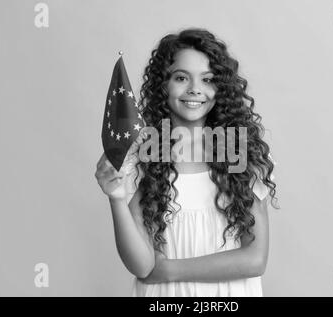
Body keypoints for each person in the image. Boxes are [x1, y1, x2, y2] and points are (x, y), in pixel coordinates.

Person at [95, 28, 278, 297]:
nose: (195, 89)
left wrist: (169, 270)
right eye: (181, 77)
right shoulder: (145, 152)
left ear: (220, 88)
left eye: (208, 79)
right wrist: (116, 199)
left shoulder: (236, 148)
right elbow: (142, 265)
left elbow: (255, 259)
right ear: (163, 84)